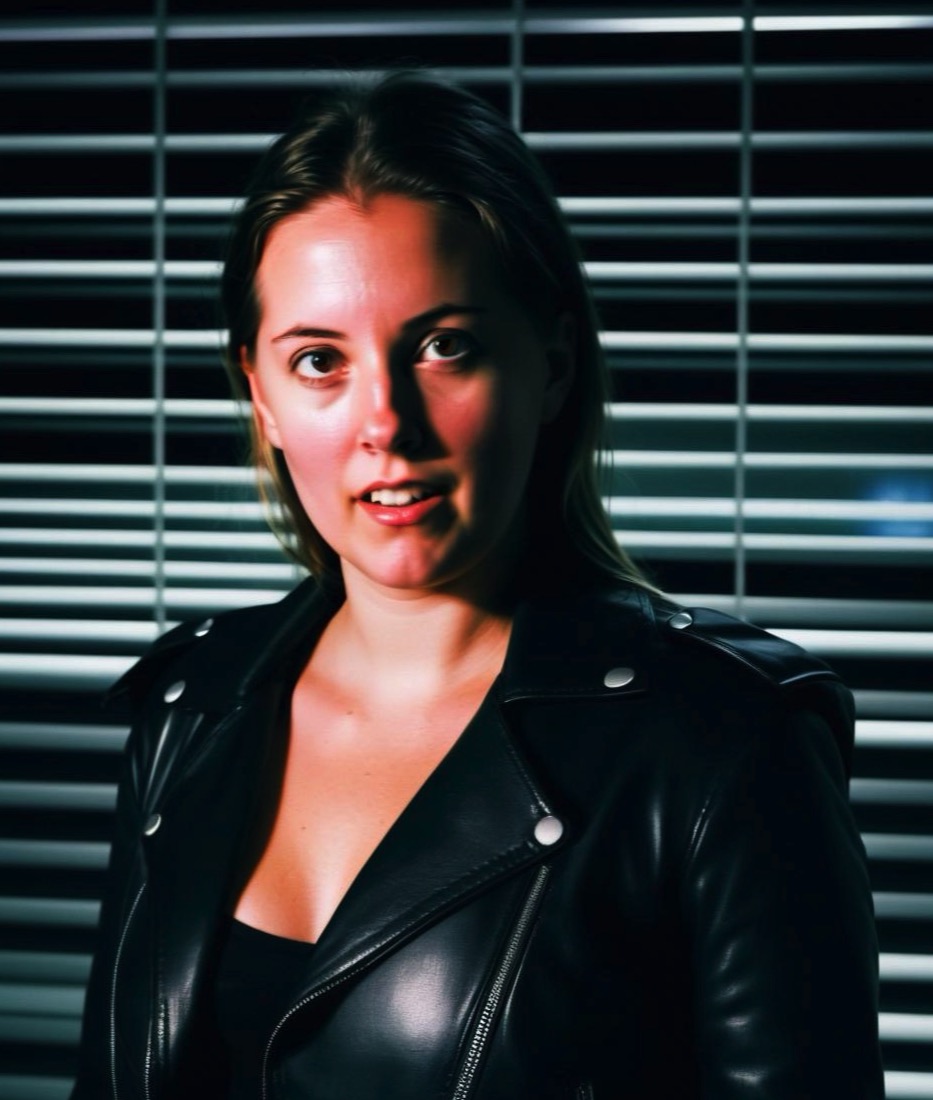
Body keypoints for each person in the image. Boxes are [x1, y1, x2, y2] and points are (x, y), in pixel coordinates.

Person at [72, 72, 884, 1100]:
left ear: (551, 363)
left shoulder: (725, 741)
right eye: (318, 361)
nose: (386, 425)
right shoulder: (188, 710)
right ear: (260, 396)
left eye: (443, 346)